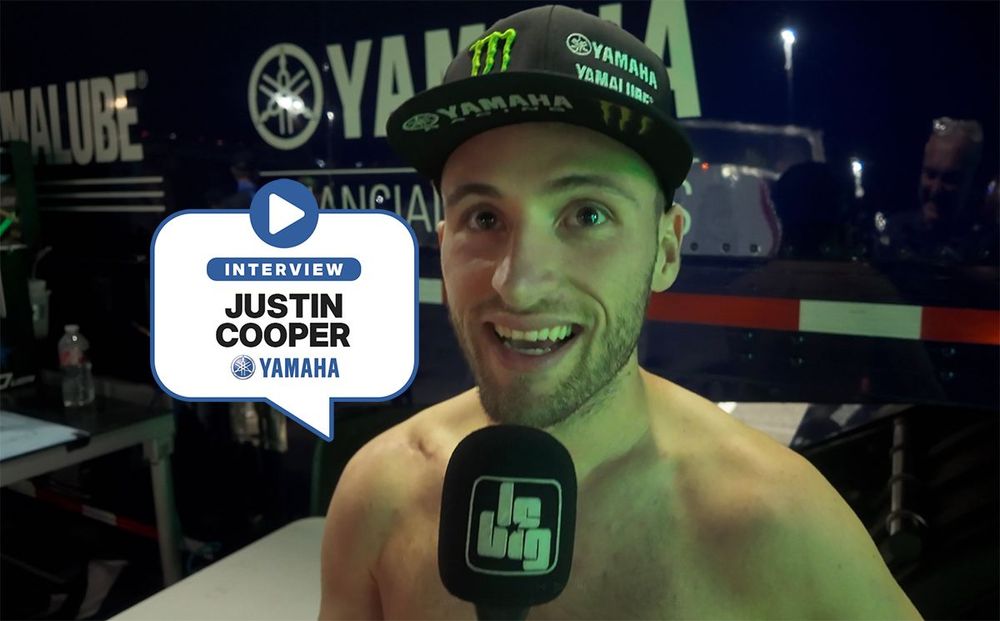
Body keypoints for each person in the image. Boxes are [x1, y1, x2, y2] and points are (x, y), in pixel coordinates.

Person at [319, 5, 922, 619]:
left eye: (587, 215)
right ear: (444, 245)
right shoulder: (378, 493)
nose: (519, 285)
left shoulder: (780, 524)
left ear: (665, 251)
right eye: (484, 218)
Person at [877, 117, 990, 264]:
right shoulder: (894, 234)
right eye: (930, 175)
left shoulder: (988, 246)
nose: (935, 190)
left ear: (971, 181)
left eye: (949, 179)